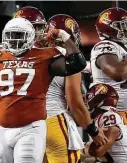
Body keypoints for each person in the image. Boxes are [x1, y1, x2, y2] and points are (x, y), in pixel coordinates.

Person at [0, 17, 87, 163]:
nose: (14, 40)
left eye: (19, 35)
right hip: (2, 128)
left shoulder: (43, 57)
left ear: (30, 36)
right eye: (11, 35)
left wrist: (64, 37)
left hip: (30, 127)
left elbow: (78, 64)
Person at [42, 14, 108, 163]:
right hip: (53, 119)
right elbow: (75, 103)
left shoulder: (35, 55)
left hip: (30, 122)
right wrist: (93, 130)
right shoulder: (69, 59)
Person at [90, 7, 127, 132]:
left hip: (125, 112)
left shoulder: (122, 48)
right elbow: (119, 73)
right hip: (111, 114)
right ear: (108, 28)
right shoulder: (105, 46)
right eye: (123, 25)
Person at [82, 83, 127, 163]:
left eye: (90, 98)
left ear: (99, 101)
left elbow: (98, 151)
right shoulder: (102, 117)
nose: (87, 103)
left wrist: (82, 149)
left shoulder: (108, 116)